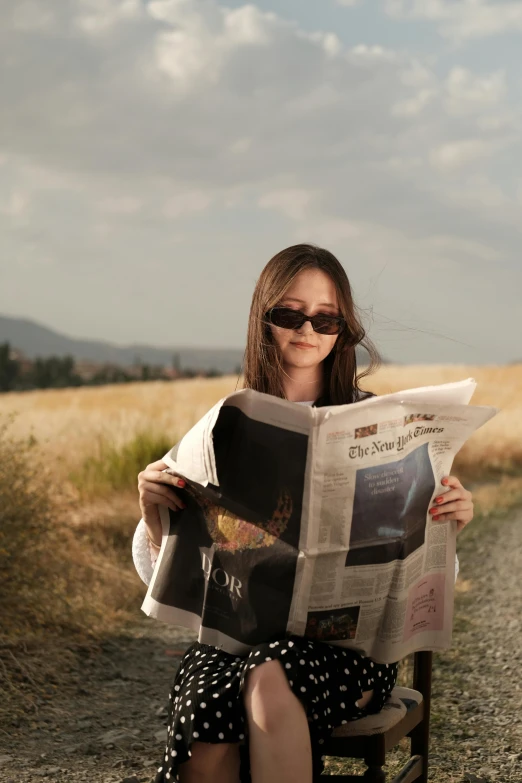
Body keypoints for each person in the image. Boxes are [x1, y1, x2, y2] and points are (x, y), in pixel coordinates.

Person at [132, 244, 474, 783]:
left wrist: (449, 521)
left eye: (326, 318)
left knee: (274, 673)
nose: (307, 330)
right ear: (263, 319)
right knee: (206, 708)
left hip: (342, 655)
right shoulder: (225, 425)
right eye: (290, 314)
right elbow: (175, 580)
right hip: (234, 643)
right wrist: (156, 519)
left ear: (344, 328)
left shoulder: (384, 426)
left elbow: (419, 577)